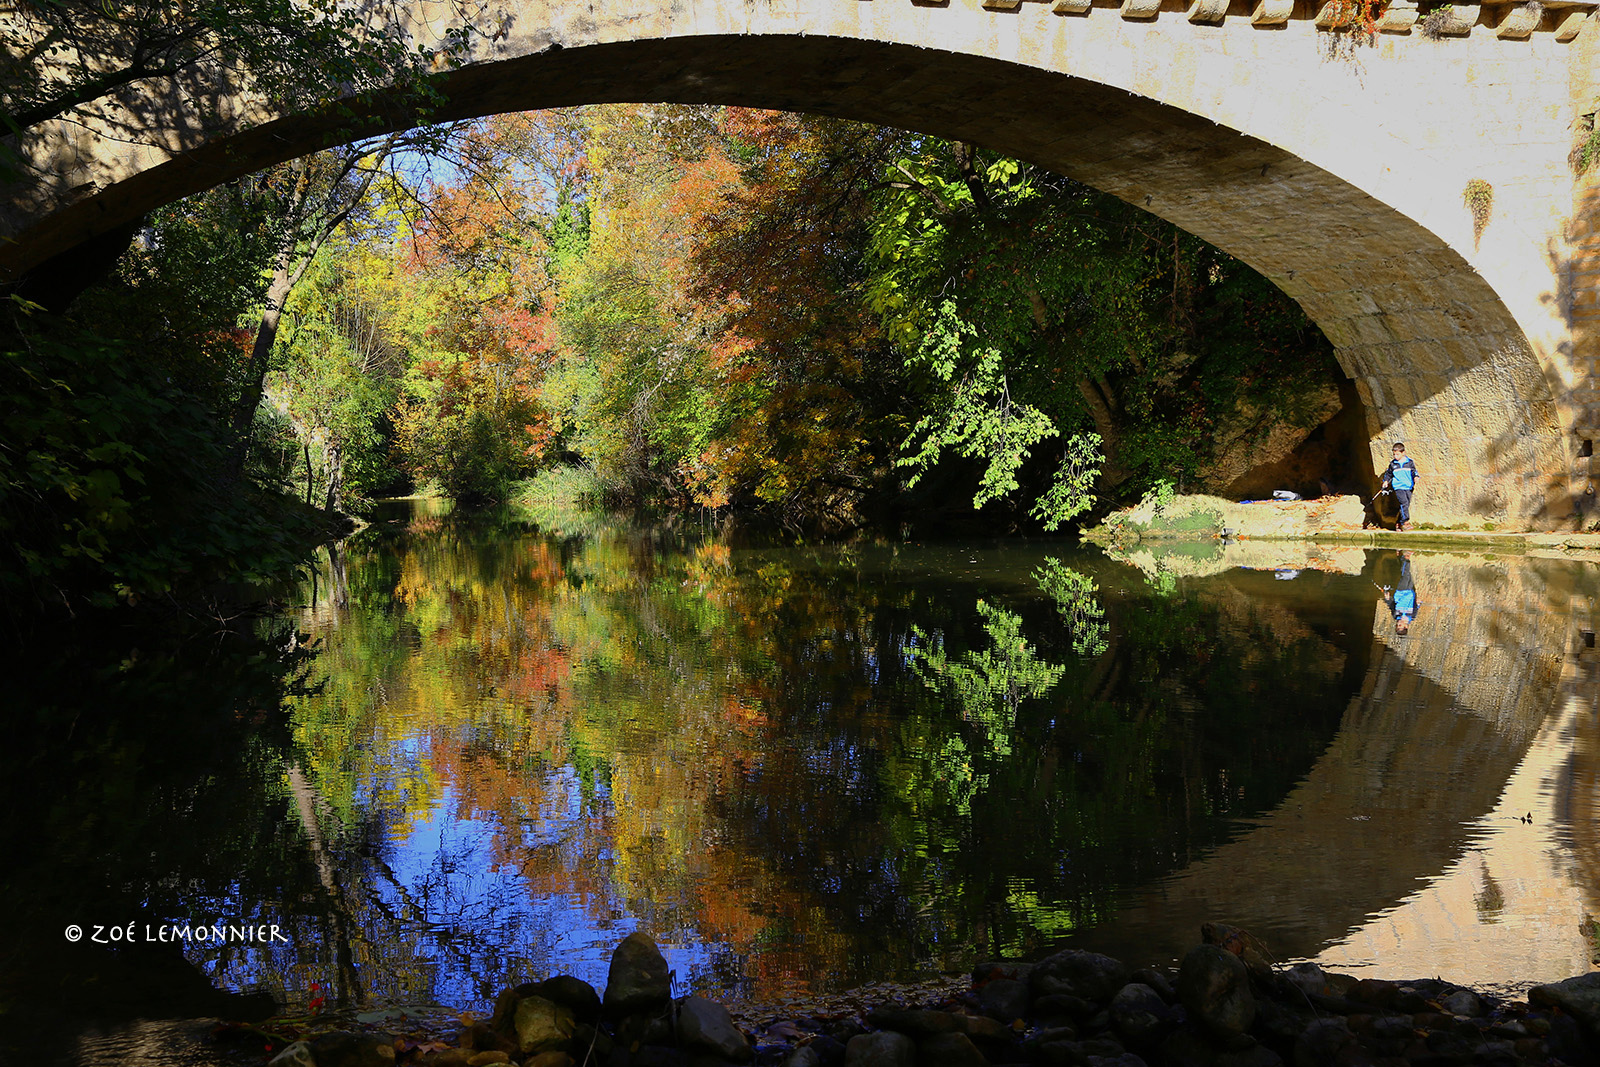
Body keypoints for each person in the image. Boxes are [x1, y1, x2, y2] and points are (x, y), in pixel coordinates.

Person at [1382, 442, 1419, 531]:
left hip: (1408, 486)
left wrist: (1416, 477)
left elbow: (1414, 471)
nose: (1395, 456)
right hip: (1398, 486)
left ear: (1403, 453)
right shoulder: (1393, 464)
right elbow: (1389, 474)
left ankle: (1398, 523)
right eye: (1394, 454)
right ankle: (1405, 522)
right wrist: (1386, 481)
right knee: (1404, 503)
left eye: (1398, 454)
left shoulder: (1409, 462)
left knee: (1405, 505)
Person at [1380, 550, 1418, 635]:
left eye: (1397, 625)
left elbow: (1391, 605)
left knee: (1406, 575)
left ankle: (1406, 557)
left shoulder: (1395, 615)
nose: (1398, 623)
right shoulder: (1412, 616)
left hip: (1401, 591)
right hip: (1411, 592)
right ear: (1406, 626)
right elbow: (1416, 606)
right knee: (1408, 575)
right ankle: (1400, 556)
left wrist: (1387, 598)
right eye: (1400, 625)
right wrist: (1418, 602)